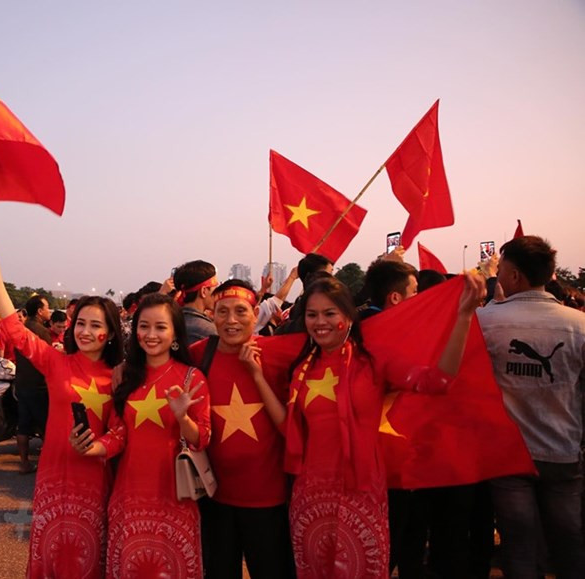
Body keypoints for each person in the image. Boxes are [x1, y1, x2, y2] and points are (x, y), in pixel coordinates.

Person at [249, 274, 485, 577]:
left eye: (329, 313)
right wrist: (256, 377)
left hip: (360, 491)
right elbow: (289, 429)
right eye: (311, 314)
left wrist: (463, 317)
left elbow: (438, 380)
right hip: (310, 494)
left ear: (347, 317)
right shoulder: (302, 369)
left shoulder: (372, 362)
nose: (319, 322)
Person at [0, 242, 125, 579]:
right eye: (80, 323)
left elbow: (120, 432)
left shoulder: (119, 378)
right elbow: (15, 330)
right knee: (53, 553)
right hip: (54, 477)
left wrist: (97, 446)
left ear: (110, 333)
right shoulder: (56, 363)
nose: (85, 331)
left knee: (89, 557)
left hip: (95, 479)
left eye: (95, 325)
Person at [75, 292, 211, 578]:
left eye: (160, 327)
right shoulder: (126, 377)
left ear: (175, 332)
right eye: (144, 326)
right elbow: (117, 435)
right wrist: (91, 448)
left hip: (174, 497)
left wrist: (182, 417)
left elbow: (202, 439)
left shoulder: (191, 378)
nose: (151, 334)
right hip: (129, 496)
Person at [476, 236, 585, 578]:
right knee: (569, 543)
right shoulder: (578, 324)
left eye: (502, 269)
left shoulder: (485, 322)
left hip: (509, 454)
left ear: (514, 277)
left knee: (518, 546)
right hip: (564, 451)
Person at [190, 280, 295, 578]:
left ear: (256, 313)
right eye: (223, 311)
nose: (231, 320)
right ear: (211, 314)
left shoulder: (278, 352)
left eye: (241, 311)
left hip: (268, 498)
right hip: (214, 498)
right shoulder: (199, 354)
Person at [13, 294, 53, 474]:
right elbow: (50, 359)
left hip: (22, 382)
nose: (48, 311)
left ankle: (24, 463)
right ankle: (50, 465)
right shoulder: (42, 331)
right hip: (38, 384)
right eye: (47, 307)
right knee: (47, 426)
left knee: (23, 425)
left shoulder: (21, 329)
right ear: (39, 311)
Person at [173, 260, 219, 345]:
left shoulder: (172, 321)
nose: (217, 294)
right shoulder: (207, 330)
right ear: (203, 291)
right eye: (215, 288)